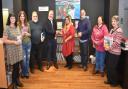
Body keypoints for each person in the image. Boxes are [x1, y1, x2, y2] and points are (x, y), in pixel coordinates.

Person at [3, 13, 24, 89]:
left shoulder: (17, 27)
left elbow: (18, 37)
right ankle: (14, 83)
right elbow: (4, 40)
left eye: (14, 18)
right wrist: (14, 42)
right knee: (14, 67)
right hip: (12, 50)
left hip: (18, 49)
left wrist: (22, 35)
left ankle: (18, 80)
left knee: (18, 67)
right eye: (11, 18)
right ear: (9, 19)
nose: (13, 20)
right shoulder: (7, 28)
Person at [104, 15, 124, 87]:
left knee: (112, 68)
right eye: (112, 21)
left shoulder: (119, 30)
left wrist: (108, 48)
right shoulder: (112, 30)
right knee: (108, 67)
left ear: (118, 22)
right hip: (110, 51)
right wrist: (106, 46)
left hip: (115, 53)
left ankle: (114, 82)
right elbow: (108, 39)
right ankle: (109, 80)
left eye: (114, 21)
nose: (113, 22)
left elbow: (117, 42)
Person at [17, 11, 31, 78]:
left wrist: (28, 34)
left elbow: (30, 34)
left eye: (23, 16)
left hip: (28, 43)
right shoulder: (17, 25)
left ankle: (27, 73)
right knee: (24, 60)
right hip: (21, 44)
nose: (22, 17)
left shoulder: (27, 24)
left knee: (28, 59)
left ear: (25, 17)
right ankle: (23, 72)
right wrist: (21, 35)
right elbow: (17, 36)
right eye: (21, 16)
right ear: (19, 17)